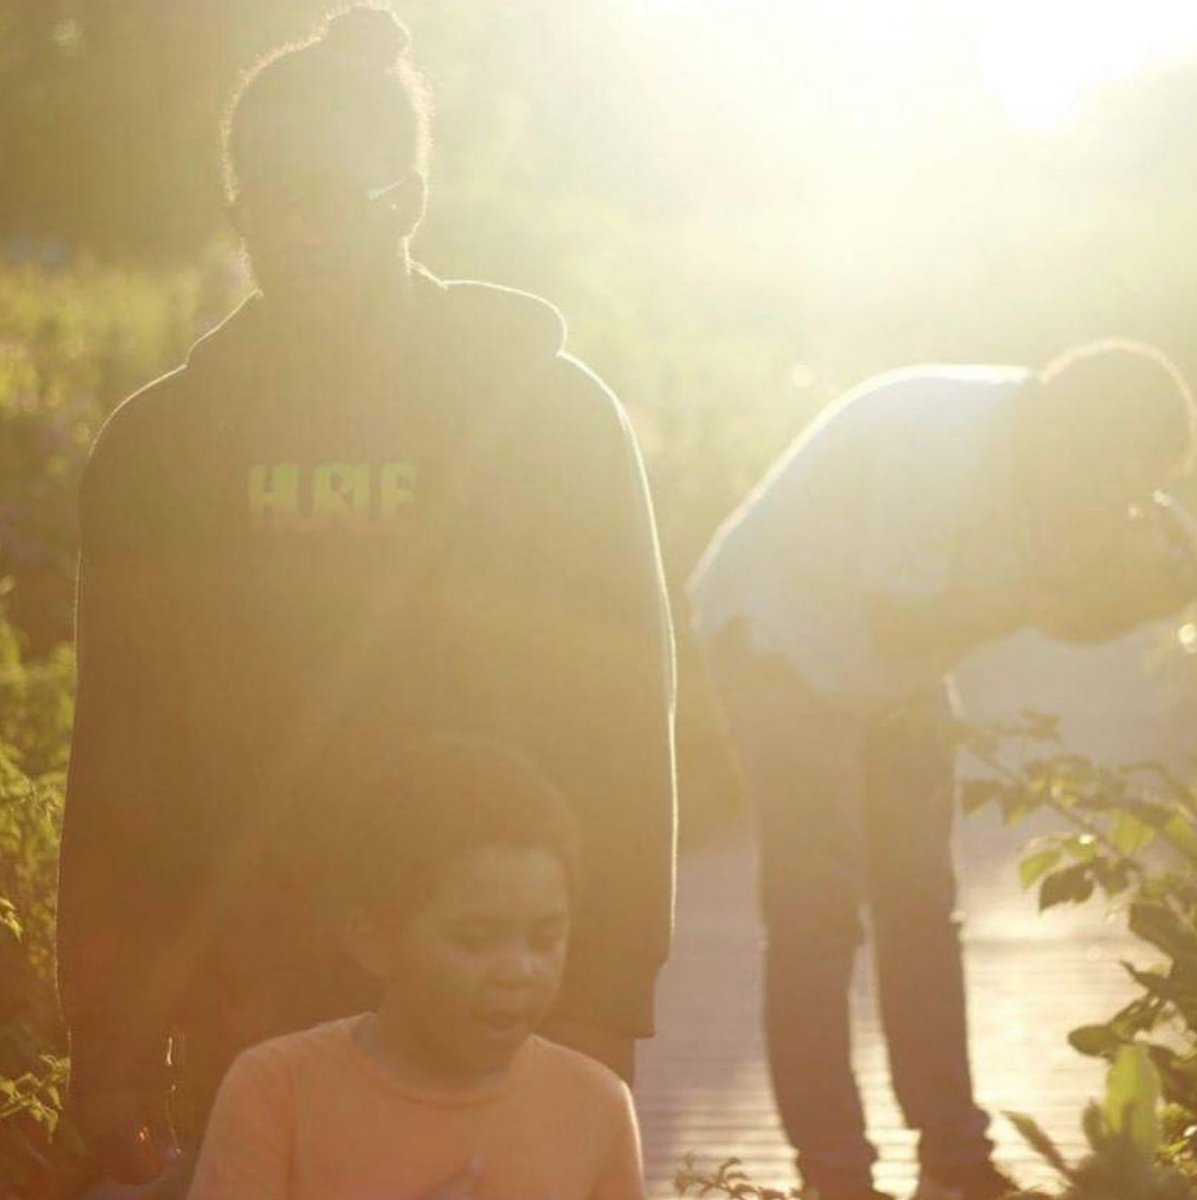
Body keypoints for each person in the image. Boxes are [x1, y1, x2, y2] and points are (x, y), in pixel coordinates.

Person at [56, 5, 676, 1188]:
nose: (292, 230)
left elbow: (622, 729)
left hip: (504, 996)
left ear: (407, 197)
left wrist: (604, 999)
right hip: (257, 999)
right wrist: (111, 1041)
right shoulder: (163, 448)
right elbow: (122, 766)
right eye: (263, 197)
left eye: (327, 195)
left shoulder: (545, 420)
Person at [688, 341, 1197, 1200]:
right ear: (1076, 442)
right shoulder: (937, 441)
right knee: (816, 916)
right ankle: (835, 1177)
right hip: (779, 639)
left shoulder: (1070, 463)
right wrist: (1059, 584)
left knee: (922, 904)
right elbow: (904, 620)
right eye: (1117, 486)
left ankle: (955, 1162)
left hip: (891, 668)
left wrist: (1151, 593)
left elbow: (1055, 617)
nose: (1122, 508)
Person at [185, 737, 646, 1200]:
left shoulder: (595, 1107)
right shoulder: (276, 1091)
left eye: (544, 939)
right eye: (475, 939)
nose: (519, 970)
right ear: (376, 943)